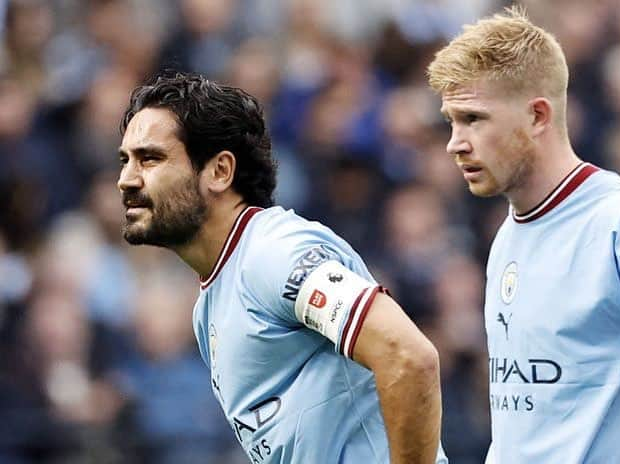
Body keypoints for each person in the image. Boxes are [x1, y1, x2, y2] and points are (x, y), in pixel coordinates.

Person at [427, 7, 620, 463]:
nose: (454, 142)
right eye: (451, 121)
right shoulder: (508, 234)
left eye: (473, 119)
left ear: (538, 115)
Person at [117, 72, 448, 464]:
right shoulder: (210, 302)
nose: (125, 179)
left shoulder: (274, 253)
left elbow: (409, 356)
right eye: (125, 160)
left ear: (220, 171)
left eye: (150, 158)